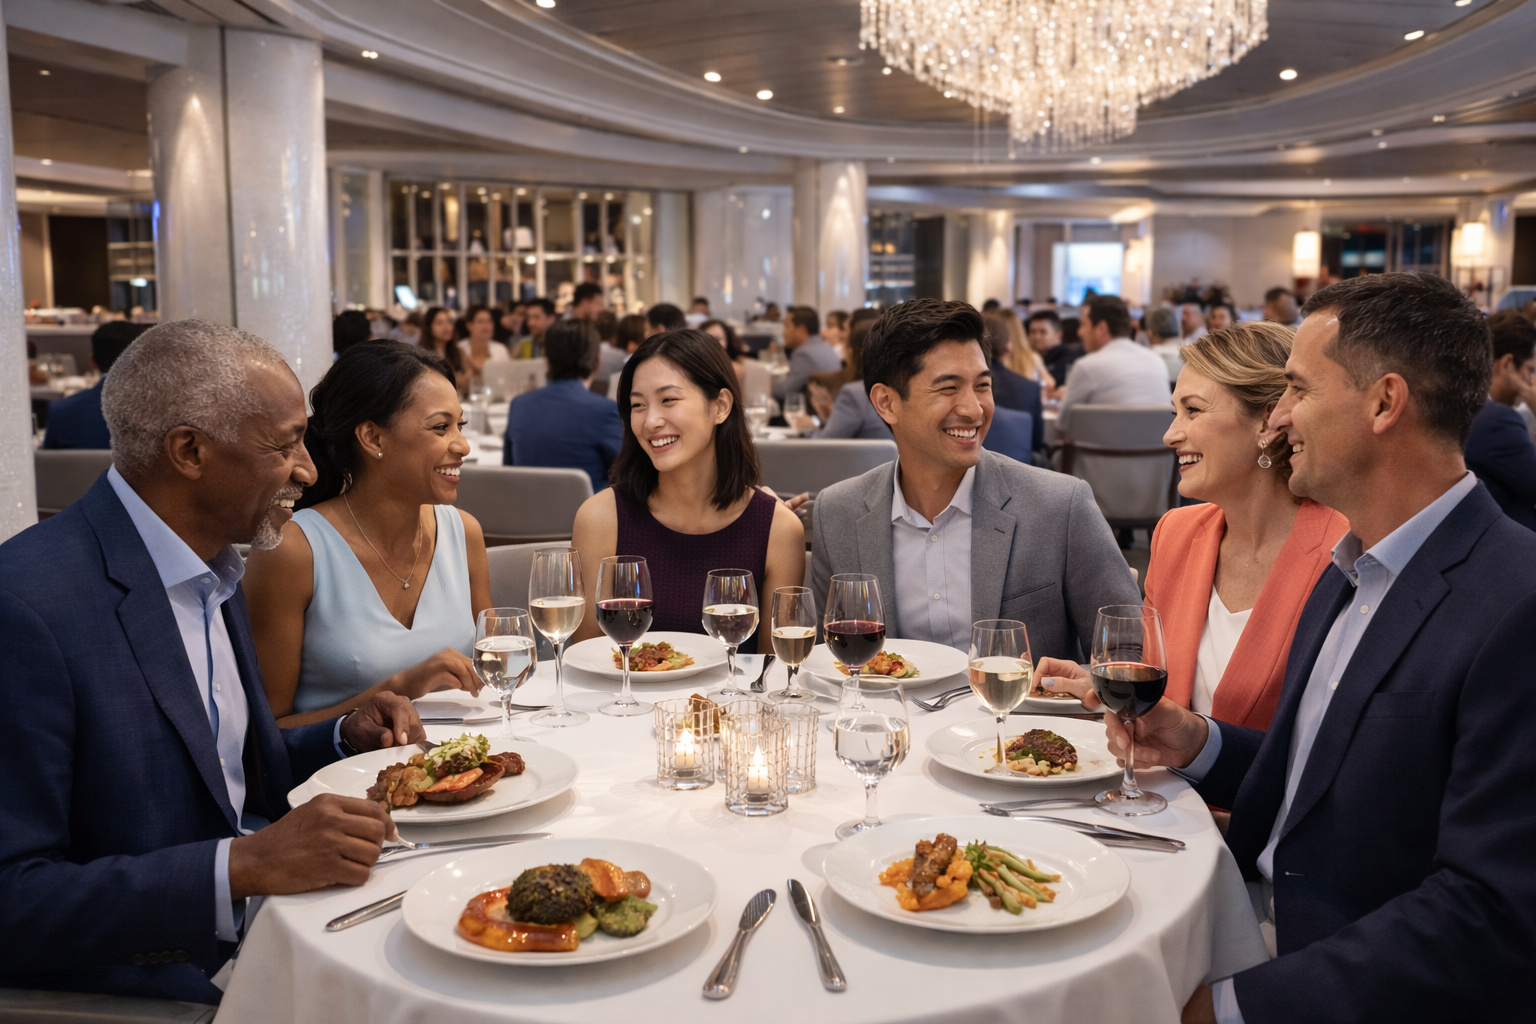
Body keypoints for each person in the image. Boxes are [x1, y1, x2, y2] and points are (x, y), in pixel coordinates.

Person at [1053, 273, 1536, 1024]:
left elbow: (1491, 914)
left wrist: (1234, 1006)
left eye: (1298, 391)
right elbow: (1312, 778)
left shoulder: (1514, 601)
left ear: (1385, 403)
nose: (1278, 419)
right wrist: (1196, 738)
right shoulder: (1354, 567)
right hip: (1245, 910)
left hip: (1329, 971)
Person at [0, 319, 421, 1004]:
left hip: (269, 925)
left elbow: (223, 777)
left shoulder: (213, 565)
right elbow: (12, 899)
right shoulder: (27, 610)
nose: (310, 470)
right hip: (155, 983)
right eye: (285, 445)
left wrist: (344, 732)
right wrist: (239, 868)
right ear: (189, 451)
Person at [1042, 321, 1349, 730]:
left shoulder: (1344, 552)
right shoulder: (1177, 532)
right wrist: (1098, 686)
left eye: (1193, 410)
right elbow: (1159, 693)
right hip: (1164, 787)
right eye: (1175, 413)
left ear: (1266, 421)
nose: (1170, 435)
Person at [811, 299, 1141, 658]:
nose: (974, 409)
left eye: (982, 386)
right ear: (887, 403)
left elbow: (1131, 650)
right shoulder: (837, 514)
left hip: (1016, 713)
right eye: (948, 388)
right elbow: (823, 659)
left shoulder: (1059, 507)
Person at [245, 342, 490, 727]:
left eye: (461, 425)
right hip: (342, 778)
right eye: (441, 427)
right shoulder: (293, 551)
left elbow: (491, 680)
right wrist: (400, 686)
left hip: (458, 768)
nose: (462, 445)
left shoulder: (465, 533)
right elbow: (265, 734)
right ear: (373, 438)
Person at [570, 329, 804, 651]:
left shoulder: (777, 529)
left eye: (669, 400)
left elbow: (776, 674)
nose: (651, 421)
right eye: (638, 405)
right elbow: (585, 662)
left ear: (720, 406)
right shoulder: (601, 518)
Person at [504, 319, 623, 491]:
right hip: (589, 515)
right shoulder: (606, 411)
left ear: (547, 364)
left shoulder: (519, 405)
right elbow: (630, 479)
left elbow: (509, 472)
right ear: (597, 363)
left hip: (527, 514)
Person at [1057, 294, 1172, 434]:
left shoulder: (1087, 367)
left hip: (1097, 455)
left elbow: (1063, 425)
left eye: (1083, 324)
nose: (1079, 332)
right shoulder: (1156, 361)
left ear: (1101, 328)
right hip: (1158, 455)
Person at [1464, 312, 1536, 530]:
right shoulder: (1495, 420)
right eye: (1530, 370)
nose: (1532, 381)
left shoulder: (1465, 404)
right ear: (1506, 364)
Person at [42, 320, 147, 449]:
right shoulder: (162, 412)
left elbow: (47, 466)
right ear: (143, 362)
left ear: (92, 360)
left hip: (80, 470)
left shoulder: (60, 412)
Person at [806, 311, 892, 440]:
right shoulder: (896, 388)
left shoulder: (854, 394)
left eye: (844, 336)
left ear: (854, 352)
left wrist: (814, 426)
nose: (840, 336)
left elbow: (822, 446)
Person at [984, 311, 1045, 455]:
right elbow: (1036, 444)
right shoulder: (1030, 388)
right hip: (1020, 468)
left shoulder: (955, 387)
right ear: (1009, 345)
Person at [775, 306, 843, 402]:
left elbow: (784, 391)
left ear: (801, 330)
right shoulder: (825, 346)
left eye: (787, 326)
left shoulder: (804, 354)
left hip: (815, 411)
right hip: (831, 404)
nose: (783, 332)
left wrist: (766, 380)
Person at [1028, 309, 1082, 391]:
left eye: (1043, 332)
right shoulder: (1029, 358)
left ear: (1058, 335)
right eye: (1033, 332)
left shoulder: (1071, 359)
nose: (1037, 337)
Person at [418, 305, 468, 390]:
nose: (447, 327)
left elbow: (469, 374)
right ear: (428, 327)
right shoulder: (421, 355)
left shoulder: (458, 351)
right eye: (439, 323)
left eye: (449, 322)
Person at [457, 304, 511, 377]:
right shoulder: (458, 348)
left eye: (489, 321)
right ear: (469, 325)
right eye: (480, 321)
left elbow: (508, 377)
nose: (486, 325)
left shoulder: (500, 349)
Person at [703, 317, 749, 388]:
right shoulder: (694, 367)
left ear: (727, 342)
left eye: (718, 339)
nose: (714, 343)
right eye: (709, 339)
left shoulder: (735, 370)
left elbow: (739, 398)